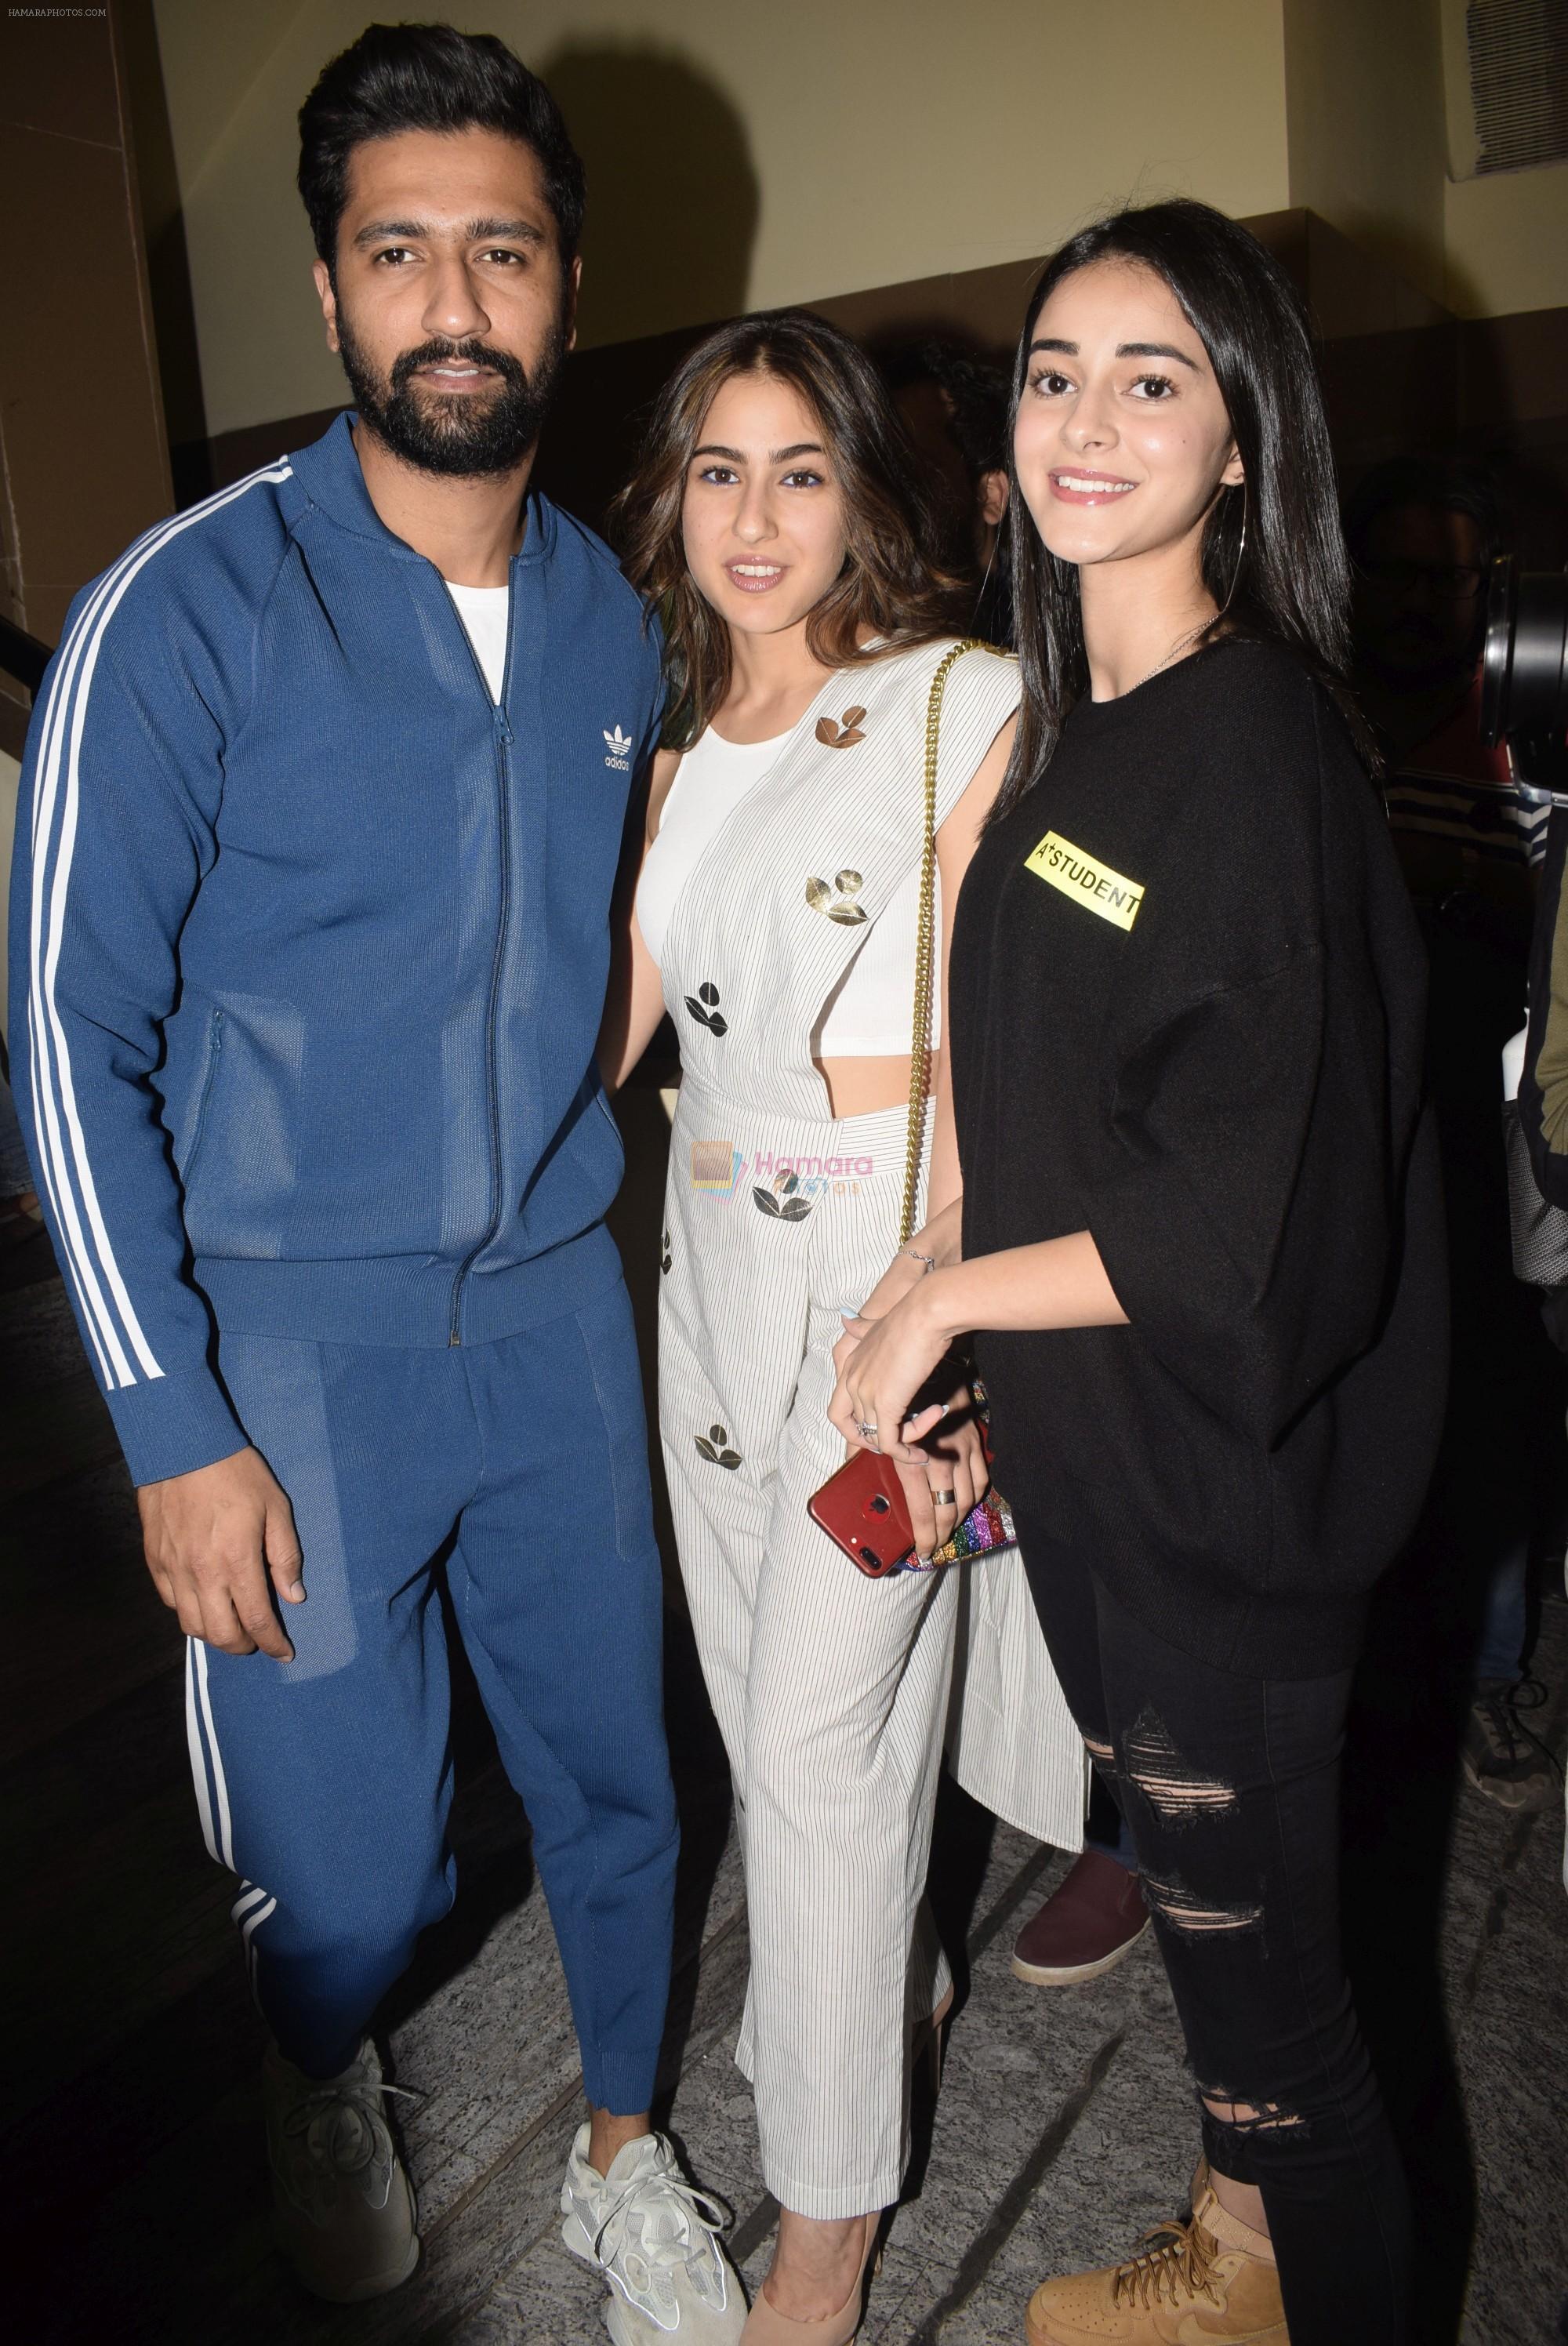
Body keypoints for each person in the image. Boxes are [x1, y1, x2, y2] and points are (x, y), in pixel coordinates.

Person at [8, 26, 746, 2338]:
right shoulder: (188, 608)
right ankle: (308, 2057)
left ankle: (625, 2140)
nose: (453, 298)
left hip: (546, 1309)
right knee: (350, 1879)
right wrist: (170, 1421)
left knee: (622, 1782)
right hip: (283, 1352)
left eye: (498, 251)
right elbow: (58, 1033)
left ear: (566, 283)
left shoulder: (625, 620)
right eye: (398, 250)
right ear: (329, 293)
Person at [830, 199, 1446, 2346]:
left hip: (1229, 1494)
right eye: (1058, 372)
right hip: (1111, 1458)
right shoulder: (1079, 729)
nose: (1091, 418)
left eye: (1154, 377)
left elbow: (1252, 1210)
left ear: (1245, 441)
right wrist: (942, 1246)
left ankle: (1315, 2275)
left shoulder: (1254, 748)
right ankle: (1236, 2270)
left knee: (1292, 2030)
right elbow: (1056, 1075)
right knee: (1216, 1963)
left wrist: (949, 1306)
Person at [601, 310, 1083, 2344]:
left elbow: (1021, 1035)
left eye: (802, 468)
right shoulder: (672, 746)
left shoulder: (957, 702)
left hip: (890, 1282)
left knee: (808, 1753)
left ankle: (825, 2242)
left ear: (864, 492)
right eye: (720, 469)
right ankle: (876, 1981)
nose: (758, 512)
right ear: (673, 503)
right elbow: (605, 1049)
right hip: (706, 1290)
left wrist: (951, 1295)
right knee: (781, 1724)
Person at [1348, 456, 1561, 1812]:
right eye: (1409, 573)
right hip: (1350, 1118)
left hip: (1488, 1126)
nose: (1435, 602)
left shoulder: (1527, 726)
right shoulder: (1315, 705)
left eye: (1460, 578)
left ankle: (1487, 1675)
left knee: (1493, 1398)